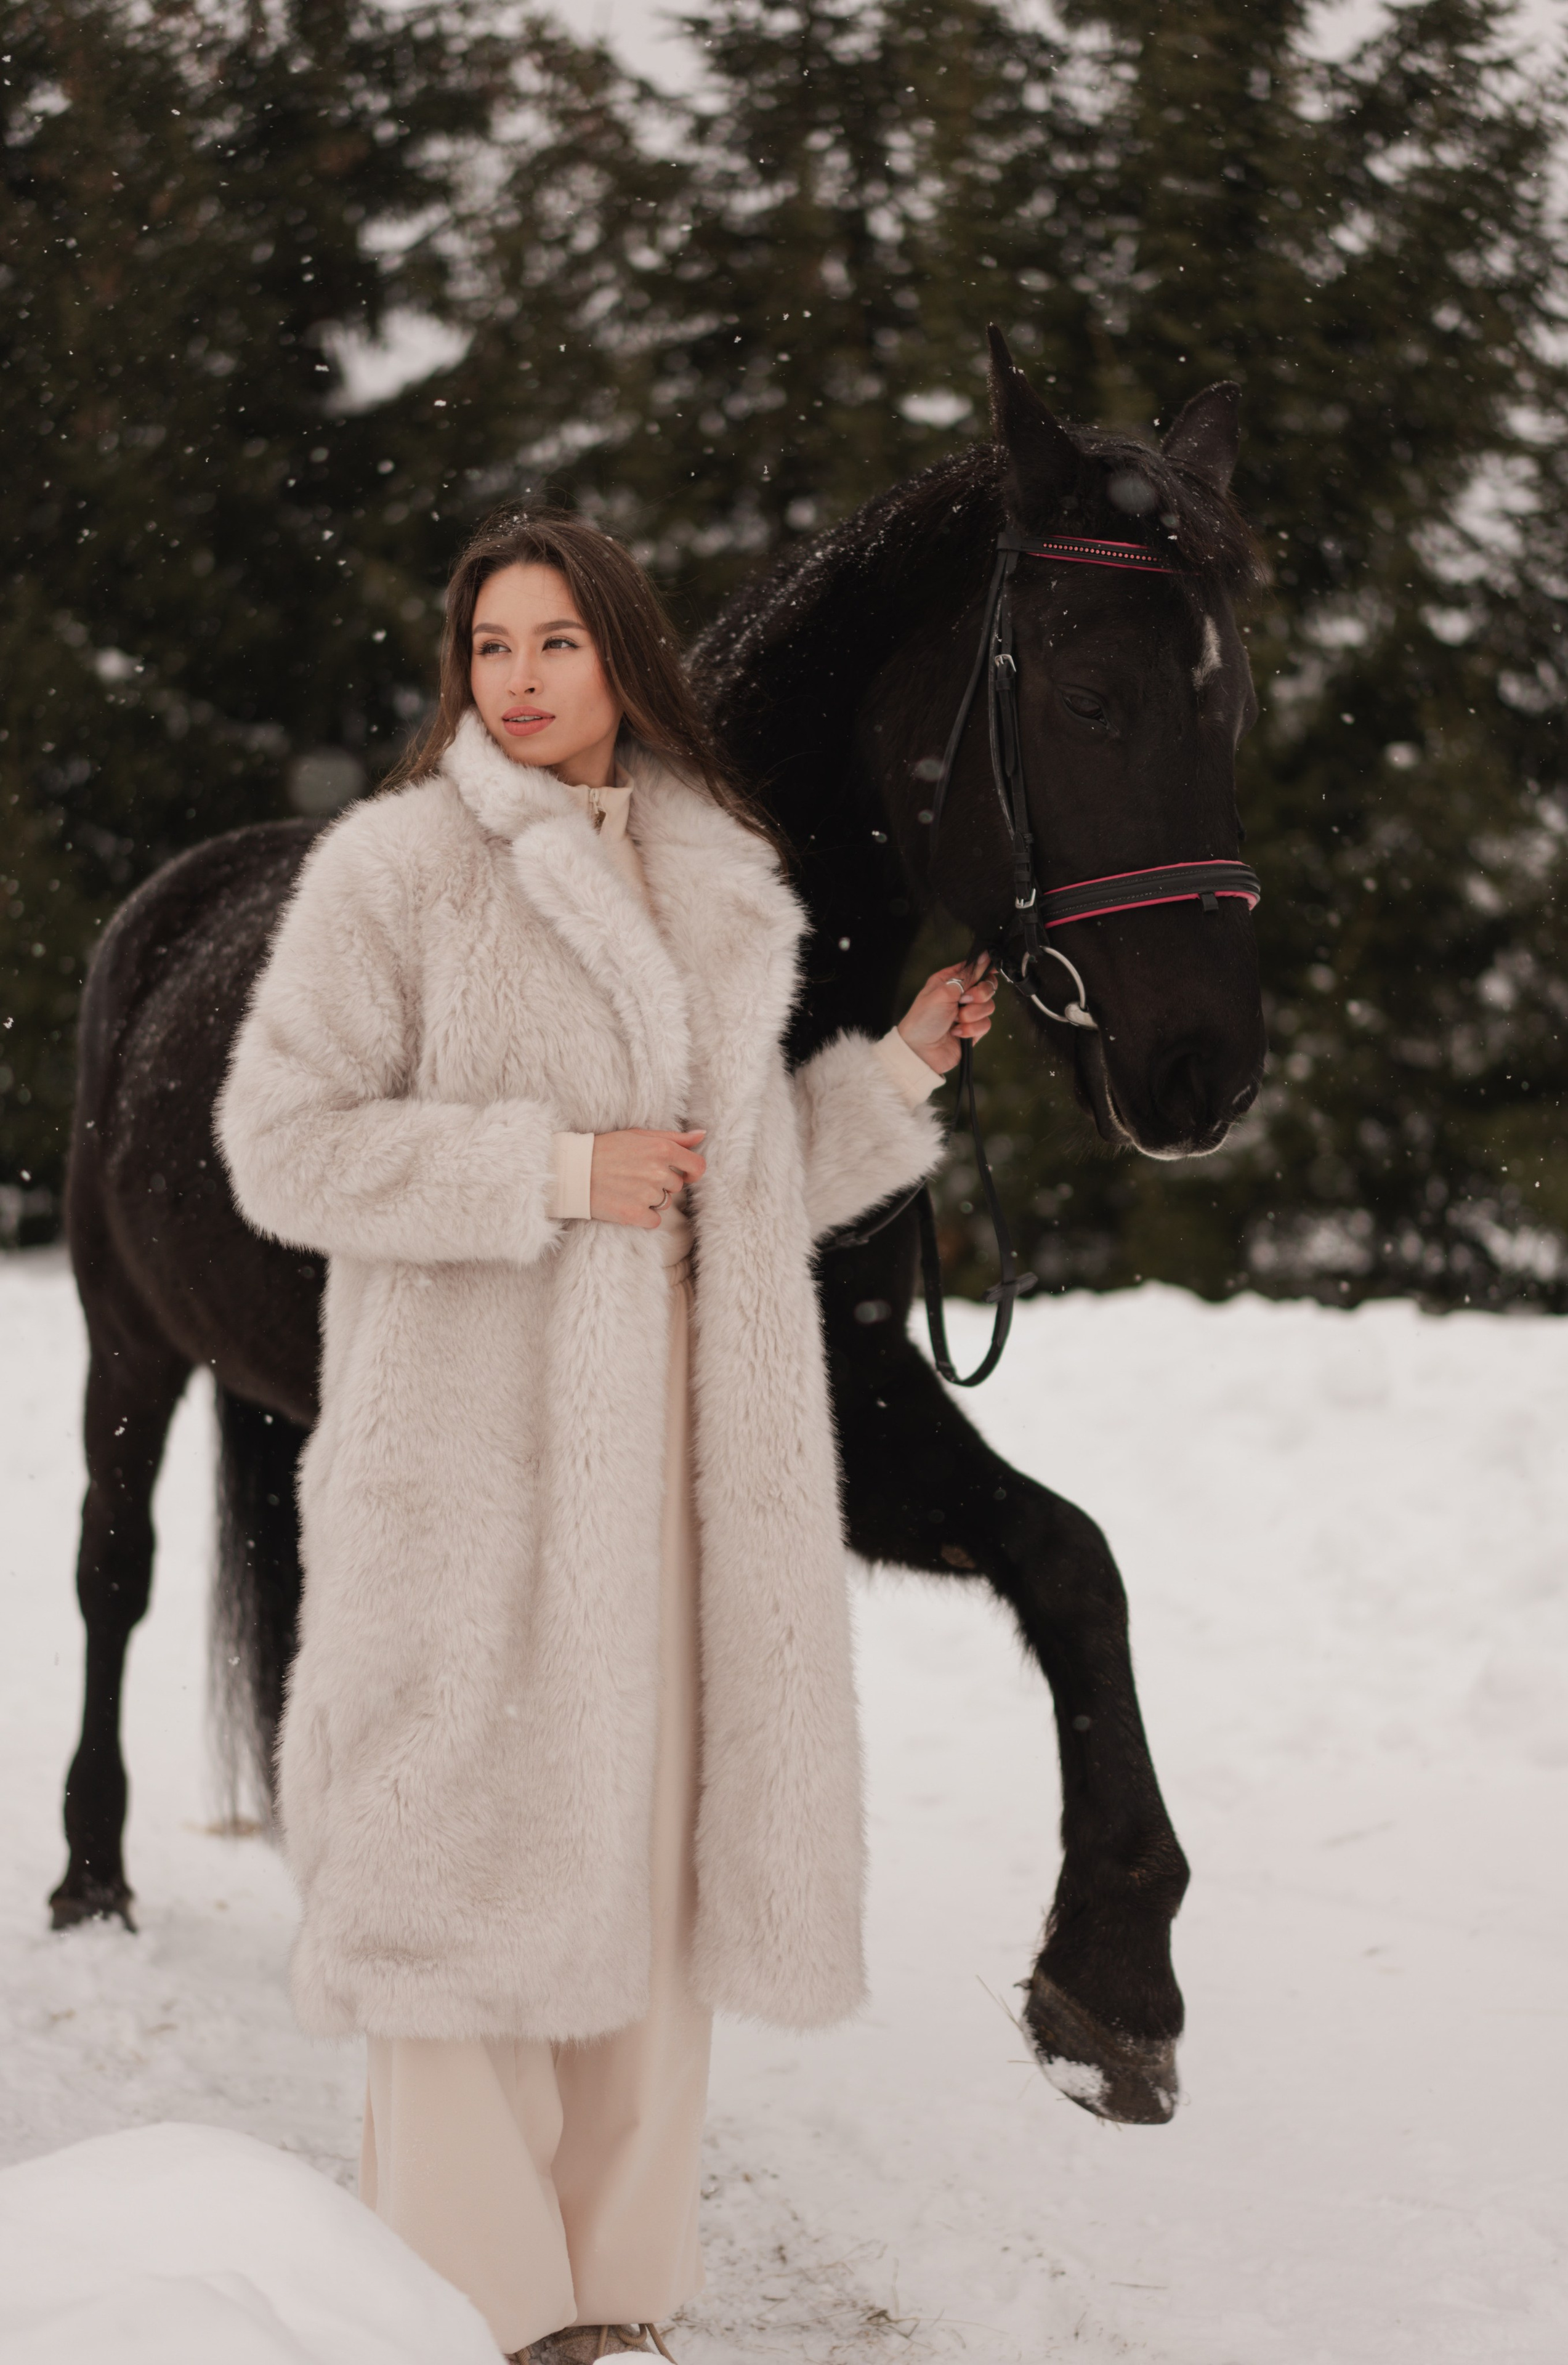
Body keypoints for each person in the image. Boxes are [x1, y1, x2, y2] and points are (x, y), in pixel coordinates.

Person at [217, 510, 998, 2363]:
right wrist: (554, 1171)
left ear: (625, 659)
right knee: (456, 1886)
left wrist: (898, 1073)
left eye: (556, 643)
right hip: (473, 1465)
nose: (520, 680)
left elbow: (730, 1186)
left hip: (682, 1467)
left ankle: (617, 2306)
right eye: (490, 647)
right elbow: (281, 1144)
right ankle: (471, 2306)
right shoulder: (399, 870)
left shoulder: (716, 873)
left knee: (651, 1890)